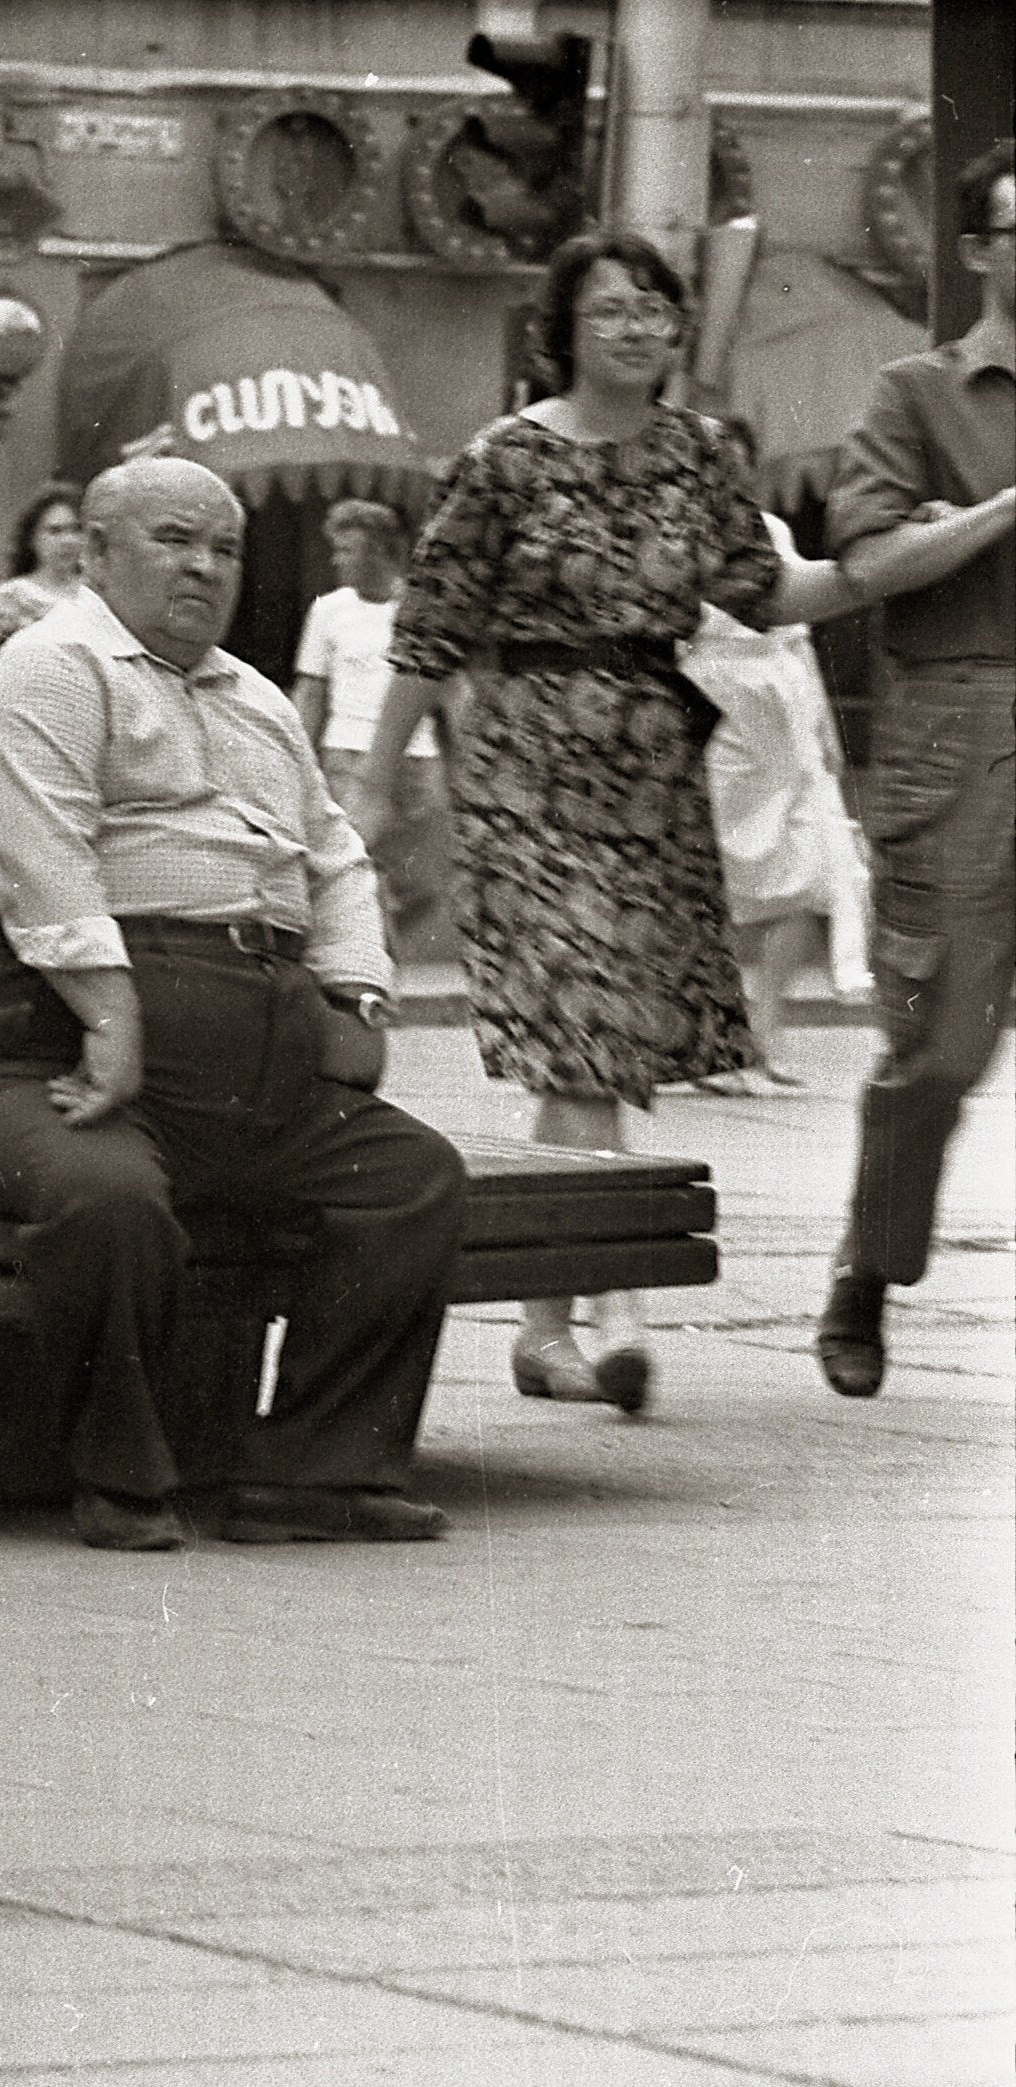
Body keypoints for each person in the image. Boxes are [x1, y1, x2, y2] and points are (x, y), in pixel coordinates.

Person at [354, 229, 904, 1416]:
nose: (635, 328)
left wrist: (882, 562)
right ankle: (615, 1308)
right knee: (587, 1029)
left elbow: (764, 589)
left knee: (589, 1043)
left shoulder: (698, 454)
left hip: (648, 775)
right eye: (609, 309)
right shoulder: (503, 458)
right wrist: (373, 779)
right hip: (523, 768)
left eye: (653, 309)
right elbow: (430, 625)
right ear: (563, 329)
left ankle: (543, 1330)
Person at [0, 456, 464, 1553]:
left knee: (410, 1183)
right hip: (37, 1046)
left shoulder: (256, 698)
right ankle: (119, 1476)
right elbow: (43, 862)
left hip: (247, 1065)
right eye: (174, 540)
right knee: (105, 1201)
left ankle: (316, 1475)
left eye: (225, 548)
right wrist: (111, 1018)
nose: (204, 566)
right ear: (96, 552)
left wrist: (354, 992)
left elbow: (334, 858)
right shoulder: (50, 667)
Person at [816, 140, 1016, 1399]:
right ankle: (867, 1266)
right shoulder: (913, 394)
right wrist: (1001, 509)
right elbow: (866, 562)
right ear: (978, 250)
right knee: (938, 1046)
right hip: (963, 724)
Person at [680, 425, 874, 1089]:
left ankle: (766, 1028)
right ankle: (714, 1036)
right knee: (718, 875)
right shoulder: (672, 535)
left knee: (812, 868)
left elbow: (797, 634)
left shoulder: (772, 531)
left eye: (737, 466)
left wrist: (823, 727)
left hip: (783, 708)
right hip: (713, 703)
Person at [292, 499, 450, 953]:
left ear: (379, 550)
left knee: (427, 883)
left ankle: (381, 945)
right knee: (355, 870)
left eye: (347, 550)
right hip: (347, 756)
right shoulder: (328, 611)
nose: (336, 560)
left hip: (418, 758)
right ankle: (373, 966)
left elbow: (448, 693)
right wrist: (301, 759)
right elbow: (311, 691)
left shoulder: (420, 607)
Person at [0, 481, 84, 687]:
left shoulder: (97, 592)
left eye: (76, 530)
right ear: (33, 538)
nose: (67, 540)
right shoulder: (14, 595)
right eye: (55, 531)